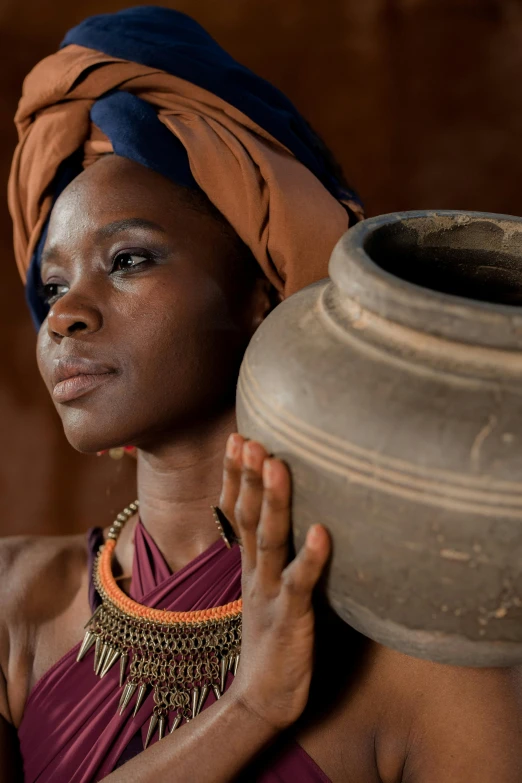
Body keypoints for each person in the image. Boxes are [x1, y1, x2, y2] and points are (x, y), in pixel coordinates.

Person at [2, 7, 521, 783]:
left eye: (129, 258)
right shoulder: (17, 604)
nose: (63, 315)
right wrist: (251, 706)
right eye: (52, 283)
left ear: (260, 291)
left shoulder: (431, 654)